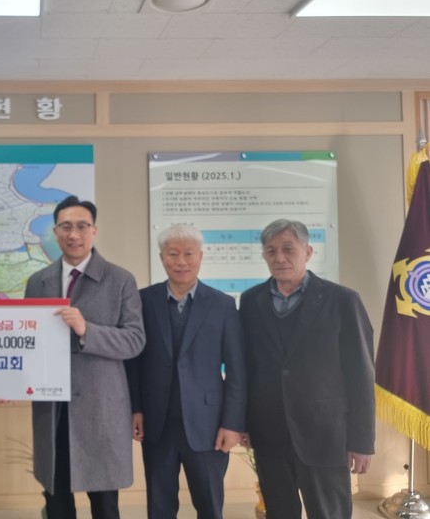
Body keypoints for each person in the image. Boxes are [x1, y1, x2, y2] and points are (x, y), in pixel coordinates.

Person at [239, 218, 375, 519]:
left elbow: (361, 374)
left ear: (308, 252)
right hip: (269, 433)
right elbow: (247, 366)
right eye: (271, 251)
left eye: (288, 249)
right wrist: (244, 421)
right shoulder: (251, 302)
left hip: (326, 434)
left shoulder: (342, 301)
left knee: (329, 514)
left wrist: (362, 441)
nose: (279, 258)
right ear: (264, 256)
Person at [24, 195, 145, 519]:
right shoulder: (38, 282)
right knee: (56, 498)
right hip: (52, 408)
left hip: (100, 407)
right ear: (55, 232)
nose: (73, 234)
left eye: (82, 226)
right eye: (66, 227)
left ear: (94, 230)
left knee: (105, 504)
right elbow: (28, 342)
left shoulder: (120, 280)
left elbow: (134, 340)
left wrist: (86, 330)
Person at [126, 224, 246, 519]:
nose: (181, 261)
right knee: (159, 507)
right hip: (157, 423)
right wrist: (136, 408)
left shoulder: (222, 305)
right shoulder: (143, 301)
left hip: (209, 425)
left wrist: (232, 424)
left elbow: (237, 370)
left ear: (200, 256)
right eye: (173, 254)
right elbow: (134, 362)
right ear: (161, 257)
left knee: (210, 506)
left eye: (188, 254)